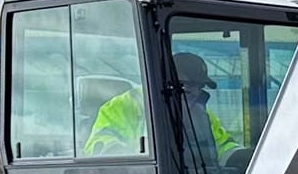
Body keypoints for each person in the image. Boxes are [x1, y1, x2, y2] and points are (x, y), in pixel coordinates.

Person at [83, 51, 239, 164]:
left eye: (200, 87)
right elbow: (98, 144)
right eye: (189, 87)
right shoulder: (126, 106)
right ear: (168, 82)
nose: (196, 93)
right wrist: (127, 160)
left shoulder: (203, 115)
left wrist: (241, 156)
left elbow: (223, 147)